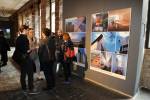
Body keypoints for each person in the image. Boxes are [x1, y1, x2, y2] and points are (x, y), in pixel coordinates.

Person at [15, 25, 39, 94]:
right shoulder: (24, 38)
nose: (28, 31)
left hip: (21, 58)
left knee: (23, 73)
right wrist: (33, 48)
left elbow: (18, 49)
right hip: (26, 58)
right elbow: (27, 50)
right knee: (30, 73)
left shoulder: (18, 38)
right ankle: (31, 88)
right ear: (24, 30)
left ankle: (24, 87)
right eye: (27, 30)